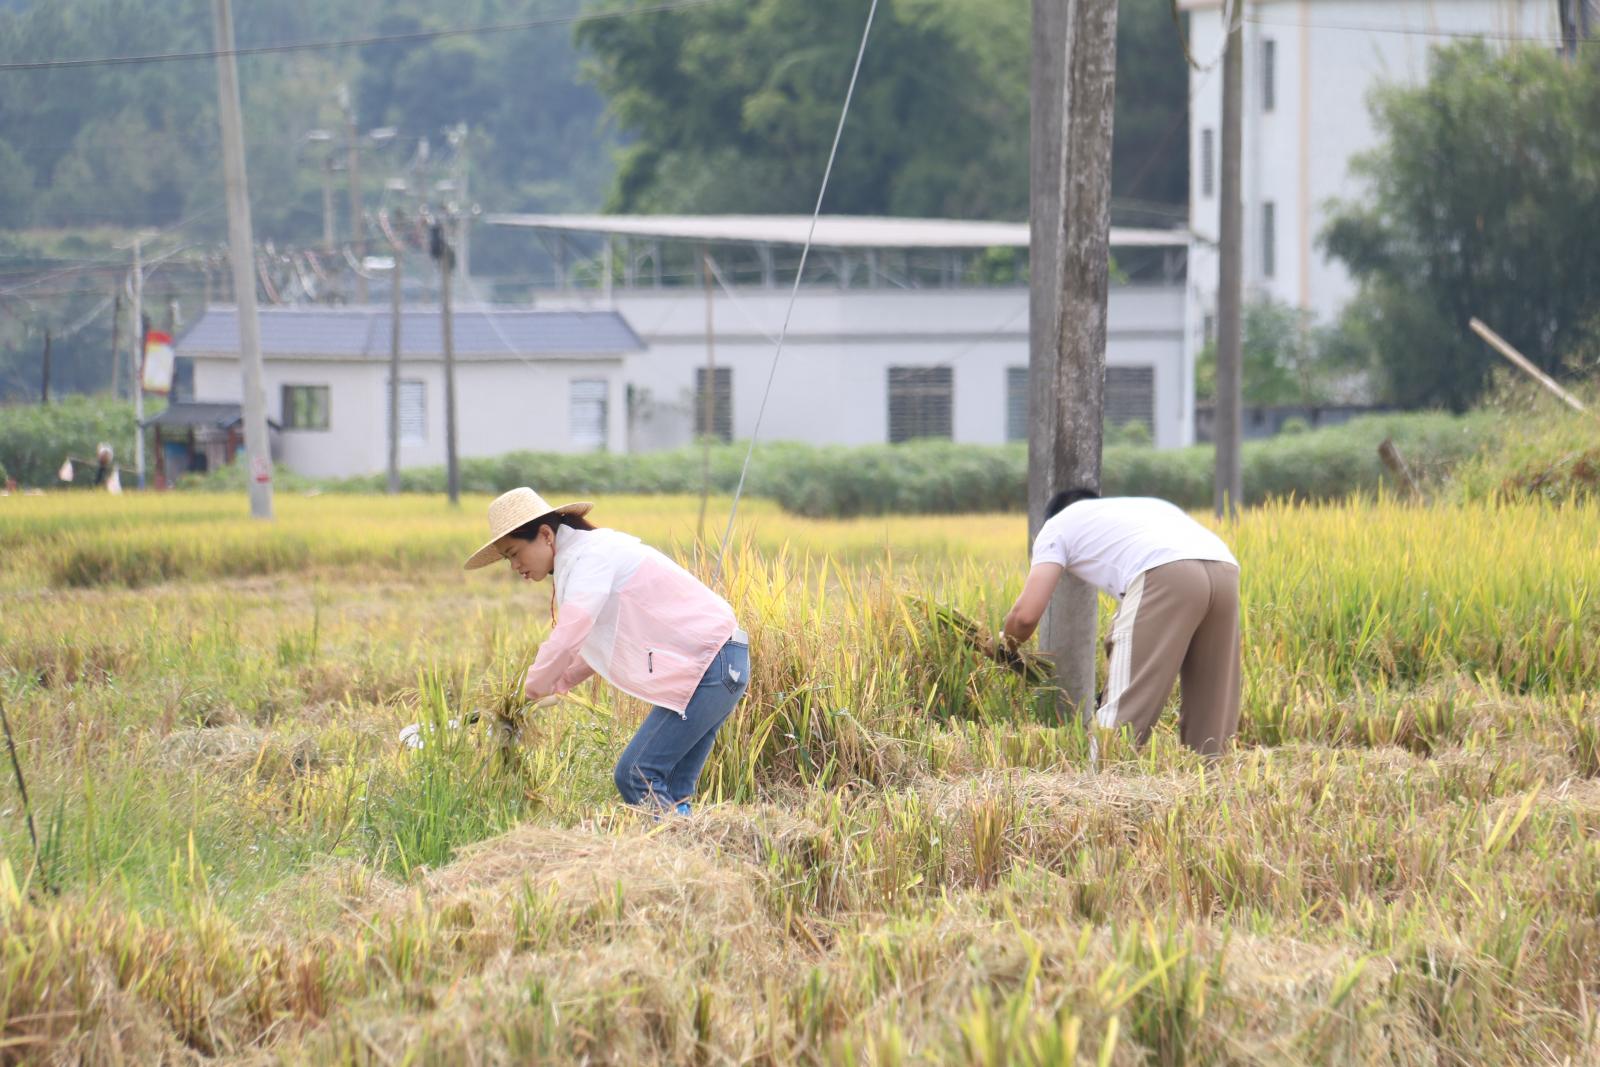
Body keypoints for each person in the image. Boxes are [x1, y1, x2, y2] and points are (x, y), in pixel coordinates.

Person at [465, 487, 750, 814]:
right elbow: (597, 644)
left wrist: (529, 691)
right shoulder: (585, 556)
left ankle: (682, 856)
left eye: (514, 553)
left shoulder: (590, 557)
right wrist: (555, 685)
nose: (514, 566)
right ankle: (691, 856)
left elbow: (570, 634)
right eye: (507, 559)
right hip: (720, 664)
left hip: (711, 666)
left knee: (636, 775)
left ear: (545, 535)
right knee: (671, 788)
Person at [1002, 489, 1241, 757]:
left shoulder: (1056, 525)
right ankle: (1208, 783)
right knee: (1211, 707)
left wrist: (1003, 644)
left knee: (1126, 707)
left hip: (1164, 571)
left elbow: (1025, 616)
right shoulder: (1147, 507)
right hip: (1225, 570)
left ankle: (1102, 785)